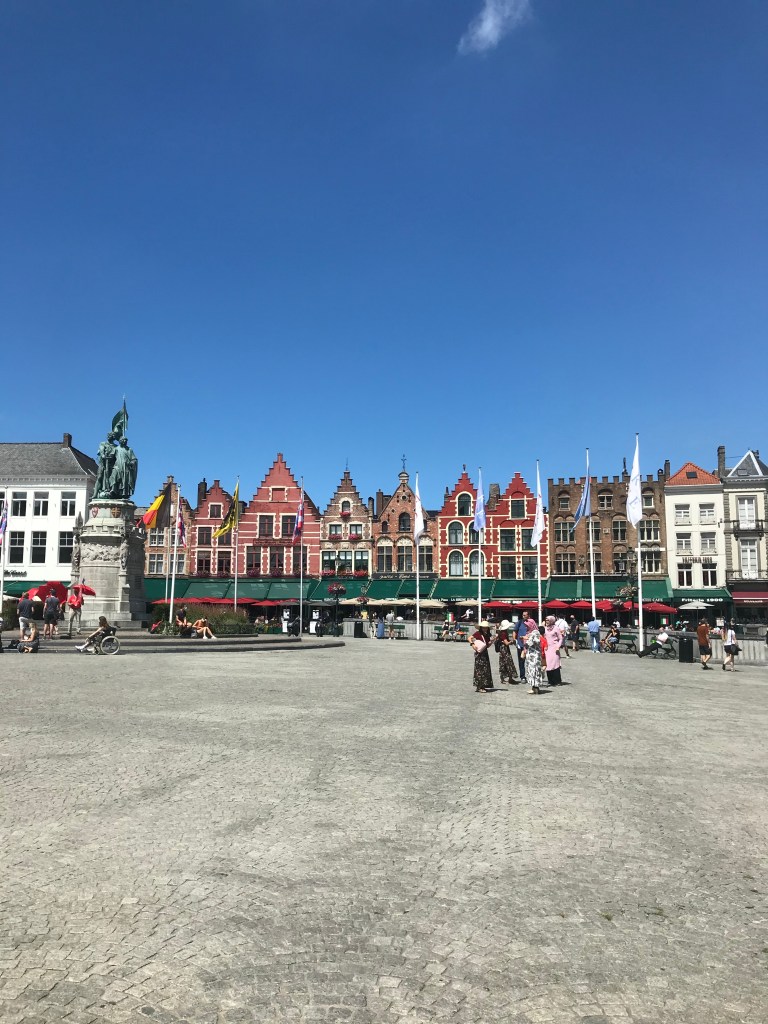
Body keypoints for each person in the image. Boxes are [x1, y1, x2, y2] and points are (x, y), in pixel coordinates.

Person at [469, 620, 494, 692]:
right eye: (483, 627)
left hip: (485, 653)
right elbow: (469, 638)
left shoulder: (488, 635)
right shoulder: (478, 633)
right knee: (480, 670)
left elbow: (487, 646)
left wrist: (492, 641)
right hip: (479, 654)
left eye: (486, 627)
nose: (484, 629)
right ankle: (479, 686)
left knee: (485, 670)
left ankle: (483, 685)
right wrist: (472, 644)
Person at [524, 626, 547, 694]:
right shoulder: (537, 635)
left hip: (532, 658)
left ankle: (534, 688)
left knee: (533, 672)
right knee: (536, 672)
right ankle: (536, 688)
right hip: (536, 658)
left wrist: (525, 639)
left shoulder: (534, 634)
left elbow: (527, 644)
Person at [495, 619, 519, 685]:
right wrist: (512, 641)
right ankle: (506, 679)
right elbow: (506, 643)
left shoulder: (503, 632)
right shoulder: (503, 633)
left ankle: (506, 678)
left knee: (505, 663)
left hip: (503, 649)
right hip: (504, 649)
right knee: (507, 662)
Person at [543, 616, 564, 686]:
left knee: (555, 664)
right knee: (548, 664)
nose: (547, 621)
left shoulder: (556, 628)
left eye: (548, 620)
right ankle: (550, 680)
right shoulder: (545, 628)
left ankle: (557, 681)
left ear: (552, 621)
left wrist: (558, 646)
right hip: (547, 648)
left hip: (554, 648)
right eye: (546, 620)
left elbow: (560, 638)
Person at [512, 611, 532, 682]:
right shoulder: (520, 622)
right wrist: (515, 640)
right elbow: (514, 631)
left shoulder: (531, 623)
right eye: (523, 615)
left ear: (528, 615)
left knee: (530, 661)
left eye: (525, 615)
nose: (523, 616)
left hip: (529, 645)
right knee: (521, 661)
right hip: (521, 645)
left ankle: (531, 676)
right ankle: (522, 677)